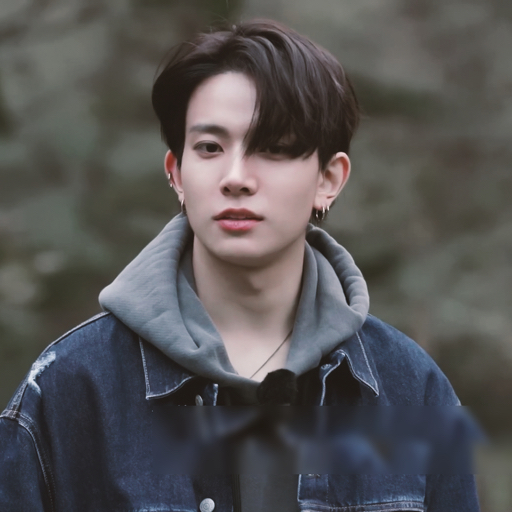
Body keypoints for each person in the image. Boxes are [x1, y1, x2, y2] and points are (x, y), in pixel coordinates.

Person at [0, 19, 480, 511]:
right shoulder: (71, 388)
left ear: (328, 179)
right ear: (176, 174)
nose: (235, 177)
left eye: (272, 148)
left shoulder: (410, 388)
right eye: (210, 148)